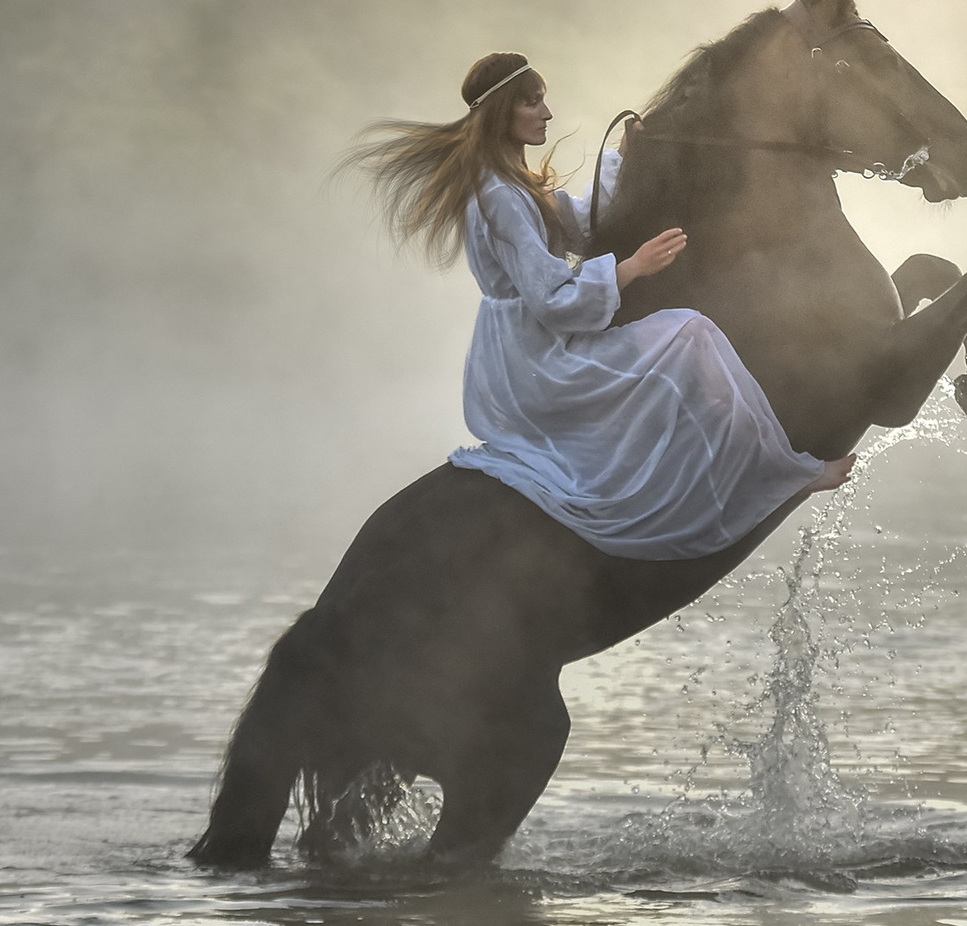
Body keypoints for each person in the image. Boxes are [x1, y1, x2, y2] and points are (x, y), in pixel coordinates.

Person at [350, 51, 851, 560]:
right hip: (535, 359)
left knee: (690, 336)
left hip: (530, 347)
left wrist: (625, 158)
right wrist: (631, 268)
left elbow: (583, 222)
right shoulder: (499, 195)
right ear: (503, 112)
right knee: (690, 334)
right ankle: (781, 473)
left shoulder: (513, 184)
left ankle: (744, 469)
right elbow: (551, 300)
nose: (547, 113)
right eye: (533, 103)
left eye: (543, 101)